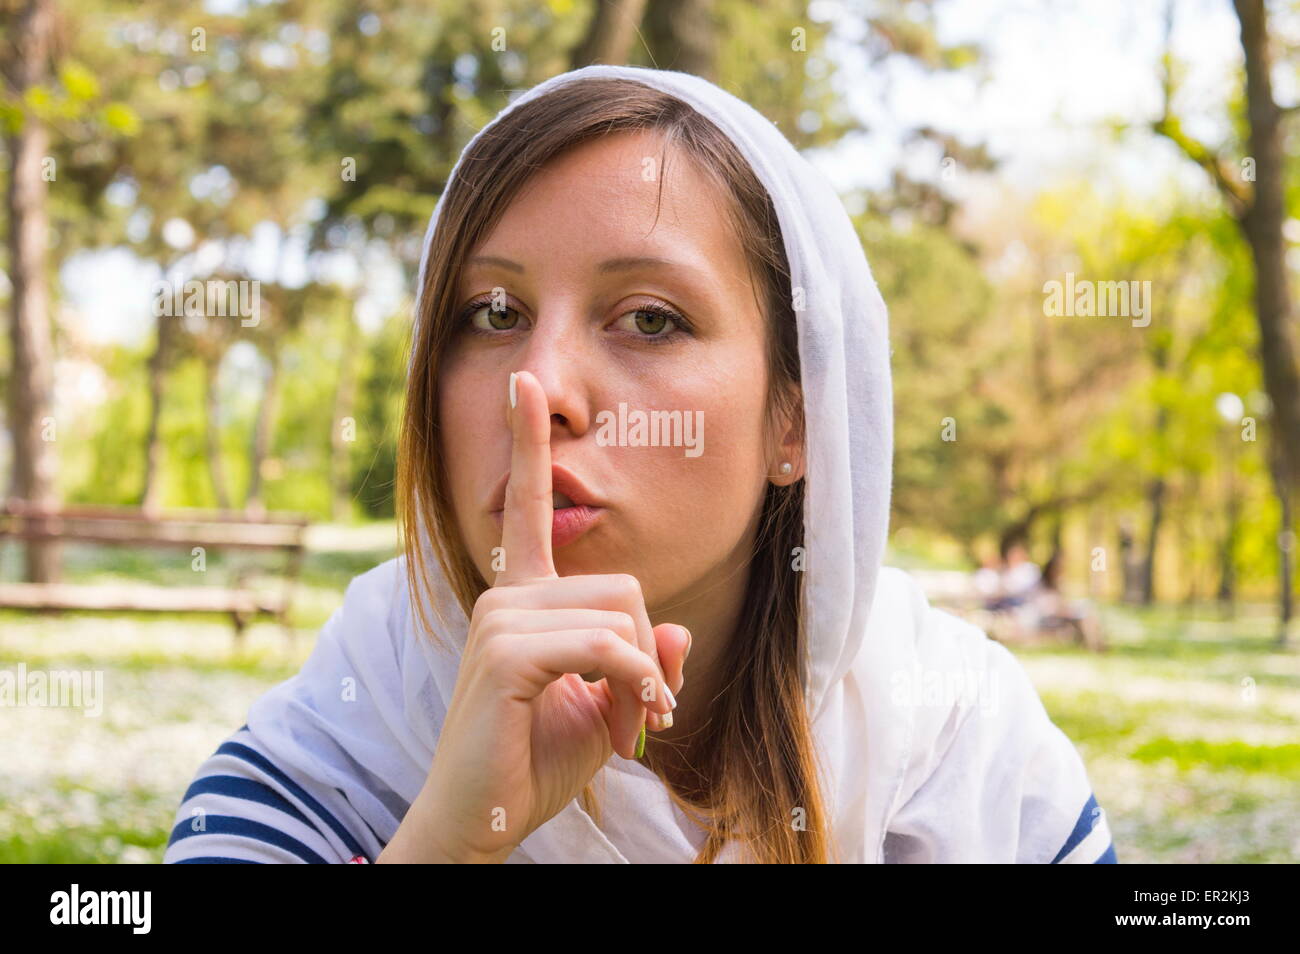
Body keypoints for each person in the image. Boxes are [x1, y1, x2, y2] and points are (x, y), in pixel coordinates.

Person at [162, 64, 1116, 864]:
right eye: (493, 314)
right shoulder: (334, 743)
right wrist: (450, 839)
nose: (538, 390)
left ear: (798, 418)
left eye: (651, 320)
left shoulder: (961, 749)